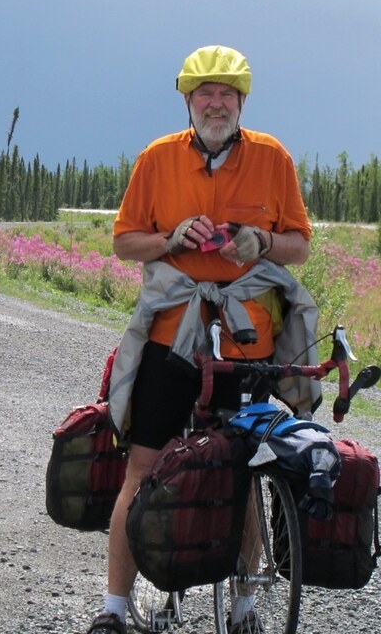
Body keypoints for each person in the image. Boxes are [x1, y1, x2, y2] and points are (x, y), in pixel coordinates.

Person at [88, 45, 314, 634]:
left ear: (241, 102)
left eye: (227, 94)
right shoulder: (157, 159)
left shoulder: (272, 159)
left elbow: (299, 245)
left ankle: (244, 607)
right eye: (205, 93)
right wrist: (170, 239)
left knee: (246, 466)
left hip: (247, 344)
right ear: (188, 101)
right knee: (142, 467)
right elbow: (124, 241)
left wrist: (263, 241)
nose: (216, 103)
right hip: (171, 339)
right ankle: (113, 609)